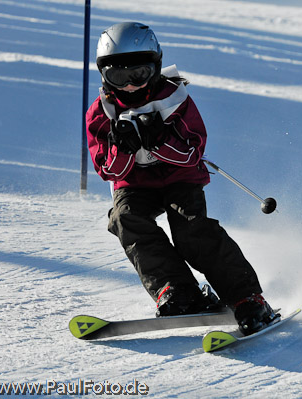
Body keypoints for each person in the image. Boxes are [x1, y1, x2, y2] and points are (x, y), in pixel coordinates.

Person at [85, 22, 277, 335]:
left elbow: (192, 153)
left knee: (191, 230)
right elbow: (107, 170)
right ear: (104, 75)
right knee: (125, 219)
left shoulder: (173, 98)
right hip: (134, 185)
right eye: (119, 77)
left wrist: (159, 140)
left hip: (179, 178)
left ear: (155, 69)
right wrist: (124, 148)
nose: (131, 86)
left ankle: (246, 297)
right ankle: (177, 290)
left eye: (139, 74)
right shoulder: (101, 113)